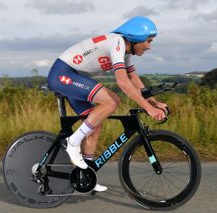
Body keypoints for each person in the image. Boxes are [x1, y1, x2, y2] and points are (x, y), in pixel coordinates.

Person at [47, 16, 167, 192]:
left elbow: (133, 78)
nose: (149, 46)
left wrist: (153, 102)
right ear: (135, 38)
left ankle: (86, 175)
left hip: (75, 77)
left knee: (94, 127)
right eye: (148, 41)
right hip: (63, 74)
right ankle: (72, 142)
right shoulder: (117, 42)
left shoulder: (125, 51)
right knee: (112, 101)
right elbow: (124, 83)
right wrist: (148, 109)